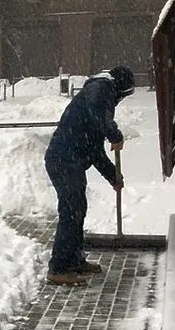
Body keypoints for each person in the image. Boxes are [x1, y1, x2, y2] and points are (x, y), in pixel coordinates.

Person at [44, 66, 135, 285]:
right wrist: (114, 134)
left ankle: (73, 260)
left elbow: (94, 150)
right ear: (120, 89)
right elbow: (99, 116)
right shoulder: (100, 90)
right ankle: (58, 268)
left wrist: (114, 176)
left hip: (70, 161)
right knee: (70, 212)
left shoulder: (98, 99)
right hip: (63, 160)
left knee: (78, 210)